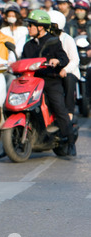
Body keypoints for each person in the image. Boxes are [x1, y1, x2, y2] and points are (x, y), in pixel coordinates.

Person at [22, 10, 75, 156]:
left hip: (50, 81)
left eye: (31, 25)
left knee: (59, 108)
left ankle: (70, 141)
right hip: (31, 82)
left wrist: (57, 61)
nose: (28, 28)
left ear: (41, 27)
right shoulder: (28, 46)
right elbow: (22, 62)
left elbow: (64, 59)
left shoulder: (53, 41)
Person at [48, 10, 81, 121]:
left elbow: (75, 60)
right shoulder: (47, 39)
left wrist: (65, 70)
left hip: (69, 71)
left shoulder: (67, 39)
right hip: (53, 71)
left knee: (68, 80)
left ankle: (69, 111)